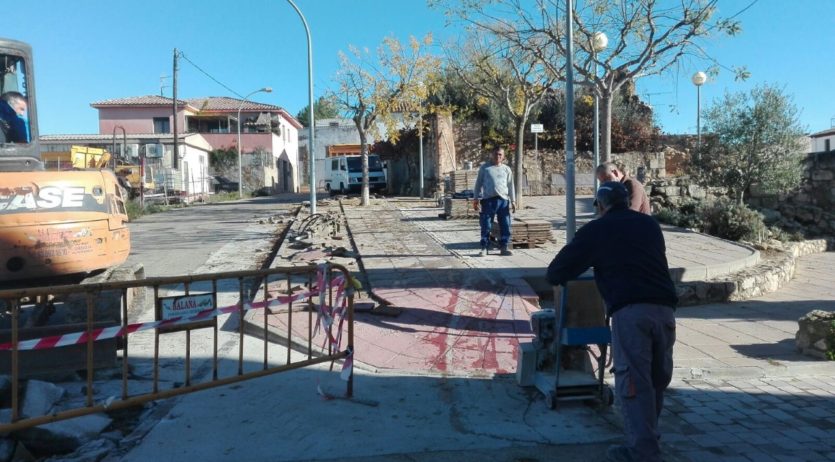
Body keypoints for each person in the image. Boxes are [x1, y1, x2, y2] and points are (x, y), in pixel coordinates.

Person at [546, 181, 677, 462]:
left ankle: (642, 452)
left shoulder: (597, 230)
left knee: (633, 382)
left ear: (601, 205)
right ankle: (649, 440)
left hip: (631, 311)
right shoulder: (649, 225)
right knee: (656, 380)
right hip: (665, 311)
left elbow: (557, 271)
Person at [472, 147, 516, 256]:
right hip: (488, 201)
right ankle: (484, 247)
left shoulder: (506, 169)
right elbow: (478, 184)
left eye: (500, 154)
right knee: (486, 224)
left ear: (503, 156)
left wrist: (513, 201)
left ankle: (504, 247)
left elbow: (511, 185)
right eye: (496, 154)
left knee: (505, 224)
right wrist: (475, 198)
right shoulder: (485, 168)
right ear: (492, 154)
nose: (498, 156)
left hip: (503, 201)